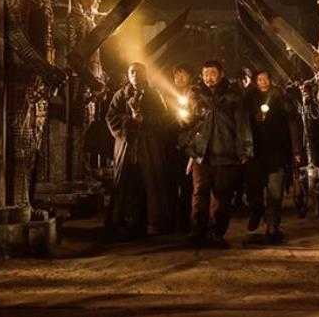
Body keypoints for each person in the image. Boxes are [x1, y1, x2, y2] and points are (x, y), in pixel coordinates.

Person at [183, 60, 253, 248]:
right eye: (205, 74)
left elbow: (242, 125)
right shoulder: (195, 95)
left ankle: (216, 233)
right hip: (201, 154)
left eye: (212, 73)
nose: (209, 78)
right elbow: (189, 125)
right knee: (199, 194)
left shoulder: (233, 96)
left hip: (225, 153)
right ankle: (197, 231)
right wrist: (189, 147)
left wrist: (245, 151)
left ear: (221, 74)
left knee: (222, 196)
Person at [106, 62, 170, 239]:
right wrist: (129, 121)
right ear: (128, 75)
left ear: (145, 74)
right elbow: (111, 117)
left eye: (138, 72)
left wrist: (145, 120)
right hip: (127, 146)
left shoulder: (154, 95)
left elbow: (165, 119)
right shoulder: (120, 95)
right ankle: (122, 224)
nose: (135, 75)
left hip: (148, 146)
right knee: (125, 183)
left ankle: (152, 223)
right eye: (132, 72)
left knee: (150, 182)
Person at [246, 70, 303, 243]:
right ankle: (256, 212)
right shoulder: (249, 99)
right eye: (259, 79)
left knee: (275, 191)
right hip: (255, 153)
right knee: (254, 190)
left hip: (277, 152)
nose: (263, 81)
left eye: (265, 78)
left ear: (271, 80)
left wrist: (296, 150)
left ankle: (272, 225)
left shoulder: (281, 98)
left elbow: (293, 123)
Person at [166, 63, 194, 232]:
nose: (179, 78)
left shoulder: (195, 94)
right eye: (177, 75)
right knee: (171, 183)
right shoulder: (166, 94)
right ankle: (173, 219)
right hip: (171, 144)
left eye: (183, 74)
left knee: (187, 184)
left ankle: (186, 220)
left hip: (188, 146)